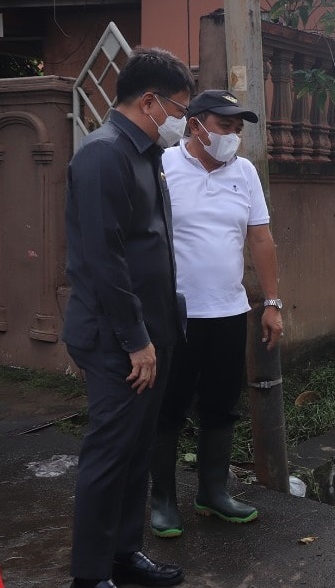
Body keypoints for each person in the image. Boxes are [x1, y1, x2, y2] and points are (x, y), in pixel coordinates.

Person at [62, 47, 194, 588]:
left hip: (148, 334)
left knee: (137, 452)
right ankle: (90, 577)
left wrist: (158, 335)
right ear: (150, 101)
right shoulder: (103, 155)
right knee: (110, 455)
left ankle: (124, 555)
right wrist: (137, 341)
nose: (183, 121)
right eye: (180, 109)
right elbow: (102, 258)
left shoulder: (146, 155)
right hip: (116, 338)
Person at [150, 89, 283, 538]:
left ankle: (213, 492)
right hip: (177, 313)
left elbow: (260, 238)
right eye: (225, 126)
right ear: (196, 125)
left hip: (229, 311)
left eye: (238, 128)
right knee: (167, 409)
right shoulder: (163, 166)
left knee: (221, 407)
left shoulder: (244, 173)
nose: (233, 136)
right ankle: (163, 500)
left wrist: (272, 302)